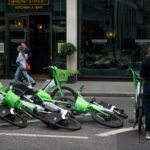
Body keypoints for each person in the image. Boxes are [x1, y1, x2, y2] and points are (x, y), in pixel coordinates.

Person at [140, 44, 150, 140]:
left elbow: (142, 74)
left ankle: (148, 132)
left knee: (148, 110)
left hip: (148, 85)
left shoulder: (146, 60)